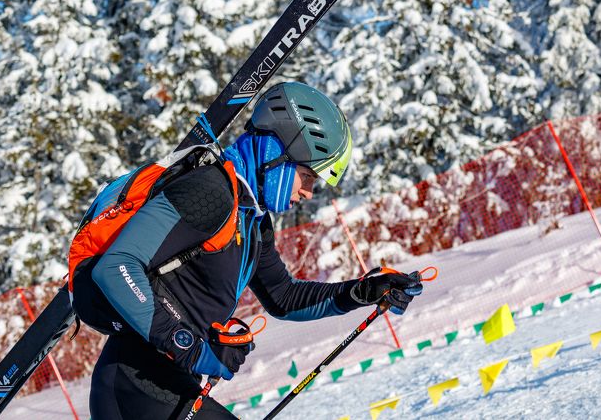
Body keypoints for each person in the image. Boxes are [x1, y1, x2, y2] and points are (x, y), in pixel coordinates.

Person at [76, 82, 423, 420]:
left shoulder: (253, 222)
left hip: (166, 387)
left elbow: (283, 297)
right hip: (133, 384)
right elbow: (117, 267)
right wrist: (190, 346)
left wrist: (361, 292)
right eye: (308, 176)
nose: (309, 193)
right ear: (280, 155)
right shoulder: (210, 192)